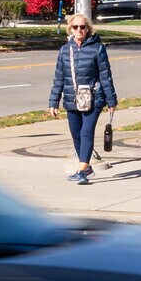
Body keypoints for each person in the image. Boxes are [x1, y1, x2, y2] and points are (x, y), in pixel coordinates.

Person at [48, 13, 116, 184]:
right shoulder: (65, 50)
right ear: (70, 29)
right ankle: (86, 167)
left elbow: (105, 76)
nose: (79, 30)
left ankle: (81, 171)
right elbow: (59, 78)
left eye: (83, 27)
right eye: (76, 27)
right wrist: (53, 101)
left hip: (94, 98)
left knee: (86, 132)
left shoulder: (98, 48)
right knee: (76, 135)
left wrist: (111, 100)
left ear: (88, 29)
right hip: (72, 99)